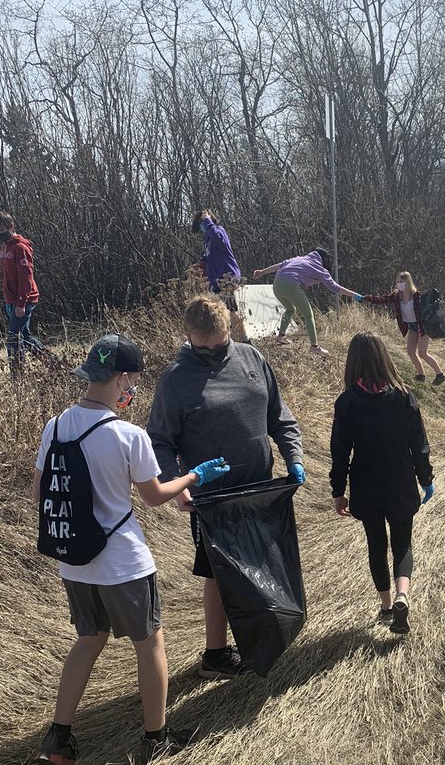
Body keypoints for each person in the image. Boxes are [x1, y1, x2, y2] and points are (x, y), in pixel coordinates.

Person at [32, 333, 230, 765]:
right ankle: (156, 738)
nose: (132, 389)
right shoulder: (128, 435)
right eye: (132, 381)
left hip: (75, 562)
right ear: (121, 378)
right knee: (150, 643)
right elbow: (156, 495)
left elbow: (40, 492)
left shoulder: (56, 426)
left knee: (88, 639)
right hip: (122, 562)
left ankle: (58, 739)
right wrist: (195, 477)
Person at [147, 296, 305, 677]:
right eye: (203, 347)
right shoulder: (175, 379)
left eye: (219, 344)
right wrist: (175, 483)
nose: (212, 353)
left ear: (229, 330)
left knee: (266, 561)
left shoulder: (252, 359)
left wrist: (294, 457)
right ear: (188, 336)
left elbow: (279, 418)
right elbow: (159, 440)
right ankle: (215, 655)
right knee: (219, 574)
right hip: (213, 500)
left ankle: (269, 634)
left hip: (260, 489)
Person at [330, 333, 434, 635]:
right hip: (400, 481)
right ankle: (404, 594)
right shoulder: (403, 396)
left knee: (376, 545)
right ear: (384, 358)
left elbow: (339, 451)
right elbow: (420, 445)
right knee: (403, 543)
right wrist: (425, 479)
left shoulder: (347, 402)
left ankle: (387, 607)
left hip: (365, 485)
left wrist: (338, 490)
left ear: (353, 362)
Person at [252, 249, 362, 356]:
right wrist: (355, 295)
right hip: (290, 285)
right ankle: (315, 347)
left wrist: (262, 272)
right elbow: (335, 288)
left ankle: (281, 336)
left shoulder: (299, 259)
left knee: (290, 309)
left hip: (277, 284)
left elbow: (280, 265)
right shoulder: (319, 269)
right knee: (308, 314)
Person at [354, 271, 445, 384]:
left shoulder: (417, 296)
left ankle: (439, 374)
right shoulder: (397, 296)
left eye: (402, 282)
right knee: (410, 351)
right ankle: (421, 375)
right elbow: (381, 299)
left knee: (423, 353)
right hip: (411, 326)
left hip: (422, 327)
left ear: (408, 283)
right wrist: (365, 298)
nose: (399, 284)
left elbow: (428, 309)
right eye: (398, 282)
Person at [0, 211, 48, 372]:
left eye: (1, 230)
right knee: (25, 336)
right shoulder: (4, 248)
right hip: (11, 300)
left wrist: (21, 303)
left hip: (24, 300)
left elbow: (26, 278)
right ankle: (56, 365)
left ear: (10, 227)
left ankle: (18, 376)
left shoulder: (20, 248)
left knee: (13, 339)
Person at [191, 209, 245, 340]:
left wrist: (207, 221)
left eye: (201, 224)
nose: (201, 228)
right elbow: (210, 256)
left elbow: (220, 240)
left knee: (230, 310)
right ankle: (229, 339)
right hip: (217, 280)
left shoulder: (219, 231)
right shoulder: (208, 239)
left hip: (227, 277)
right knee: (222, 311)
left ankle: (245, 339)